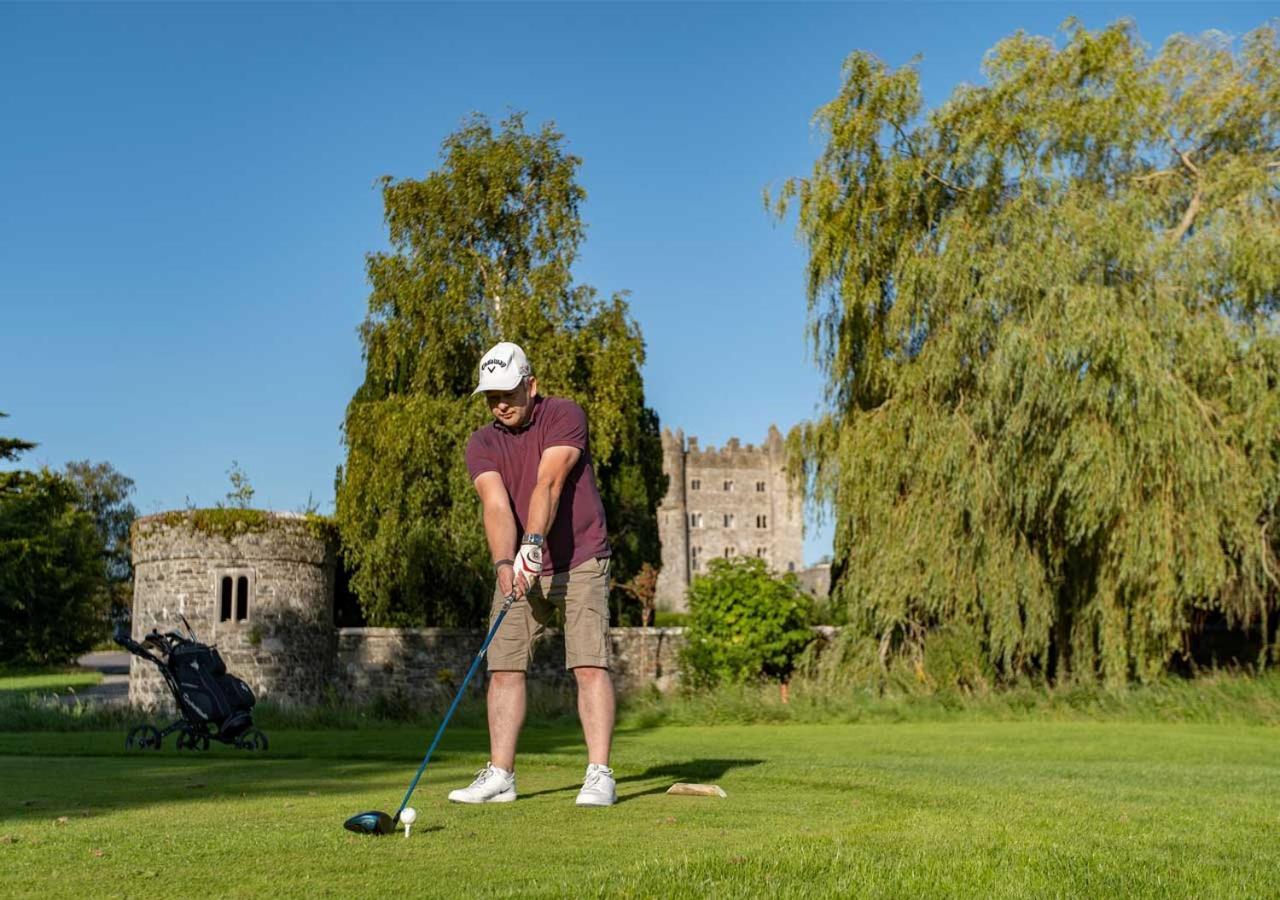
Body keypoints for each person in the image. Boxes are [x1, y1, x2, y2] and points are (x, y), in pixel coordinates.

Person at [449, 340, 617, 807]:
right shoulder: (483, 443)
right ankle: (501, 775)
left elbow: (549, 481)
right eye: (491, 395)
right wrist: (506, 563)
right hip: (520, 566)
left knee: (588, 663)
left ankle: (599, 774)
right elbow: (496, 505)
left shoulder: (564, 415)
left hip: (580, 558)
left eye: (508, 391)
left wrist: (533, 543)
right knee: (503, 666)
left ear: (531, 385)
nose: (500, 403)